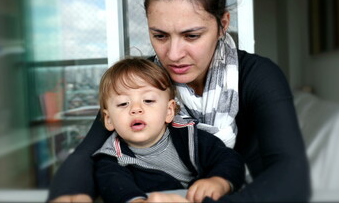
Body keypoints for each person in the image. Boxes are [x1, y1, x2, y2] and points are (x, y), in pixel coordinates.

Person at [48, 0, 311, 202]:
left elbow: (292, 175)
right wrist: (70, 194)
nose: (173, 55)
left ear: (222, 24)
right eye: (160, 35)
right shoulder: (142, 82)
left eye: (192, 35)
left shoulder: (258, 75)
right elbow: (85, 154)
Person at [92, 57, 245, 203]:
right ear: (109, 119)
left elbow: (229, 159)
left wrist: (218, 181)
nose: (136, 109)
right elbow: (114, 188)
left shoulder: (189, 135)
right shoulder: (112, 158)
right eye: (123, 103)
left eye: (148, 100)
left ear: (169, 111)